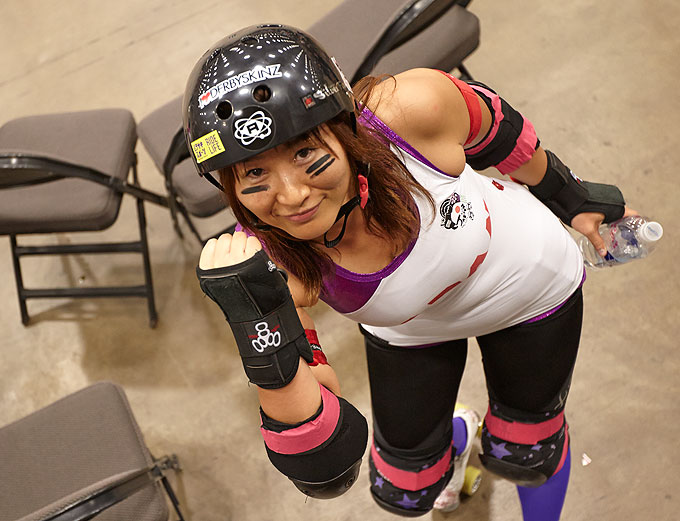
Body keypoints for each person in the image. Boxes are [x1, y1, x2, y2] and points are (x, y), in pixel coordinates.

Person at [184, 25, 632, 519]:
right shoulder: (270, 253)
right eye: (253, 173)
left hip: (527, 287)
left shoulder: (407, 111)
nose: (291, 197)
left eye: (306, 153)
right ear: (227, 184)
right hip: (411, 330)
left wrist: (569, 197)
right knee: (405, 489)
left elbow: (496, 129)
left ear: (346, 129)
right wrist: (257, 324)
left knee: (526, 453)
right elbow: (323, 463)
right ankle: (459, 437)